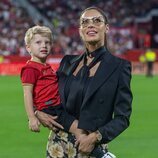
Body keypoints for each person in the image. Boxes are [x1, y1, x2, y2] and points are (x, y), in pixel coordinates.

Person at [36, 7, 133, 158]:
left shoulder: (119, 67)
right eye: (85, 22)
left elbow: (123, 118)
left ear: (106, 27)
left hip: (90, 147)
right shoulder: (67, 62)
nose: (90, 25)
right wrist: (37, 111)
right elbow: (46, 95)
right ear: (80, 30)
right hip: (57, 147)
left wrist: (95, 137)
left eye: (97, 21)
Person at [21, 25, 108, 158]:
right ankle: (103, 156)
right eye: (38, 42)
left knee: (86, 128)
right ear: (28, 48)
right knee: (81, 130)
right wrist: (32, 116)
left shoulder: (49, 67)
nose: (43, 45)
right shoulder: (30, 69)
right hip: (53, 110)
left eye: (47, 42)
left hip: (60, 107)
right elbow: (27, 93)